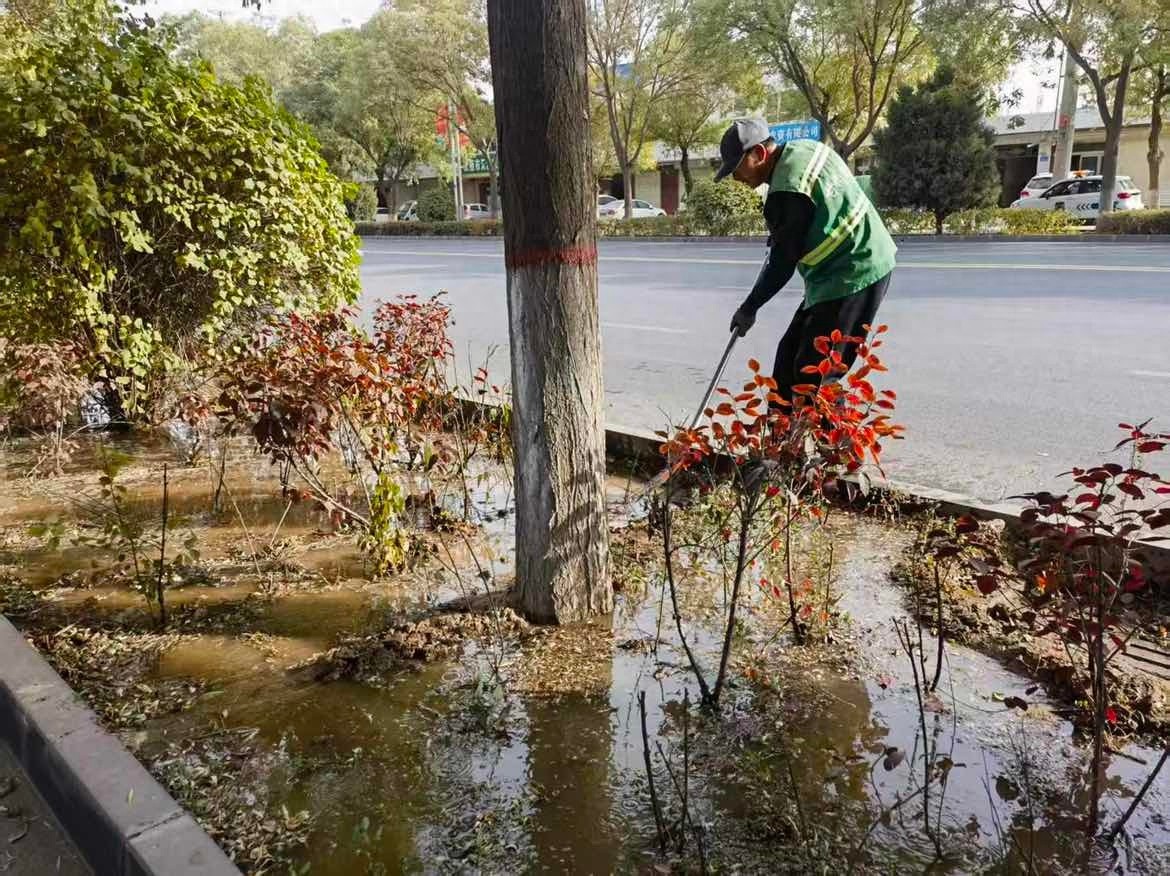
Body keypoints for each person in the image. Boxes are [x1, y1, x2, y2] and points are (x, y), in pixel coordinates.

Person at [714, 118, 896, 405]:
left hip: (854, 272)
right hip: (834, 273)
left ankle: (838, 449)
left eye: (737, 168)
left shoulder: (787, 191)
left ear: (759, 155)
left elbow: (782, 264)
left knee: (817, 377)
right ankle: (780, 444)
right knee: (787, 366)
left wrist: (749, 308)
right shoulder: (805, 149)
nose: (736, 178)